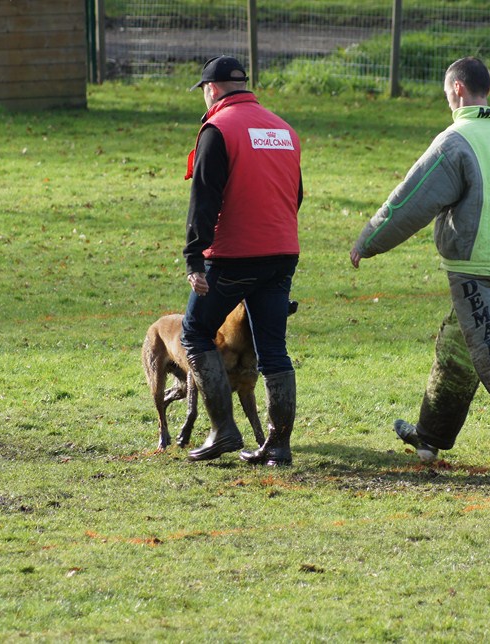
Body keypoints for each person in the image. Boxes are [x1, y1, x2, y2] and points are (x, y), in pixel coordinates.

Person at [349, 56, 490, 478]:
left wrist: (369, 239)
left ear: (457, 90)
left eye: (445, 95)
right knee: (457, 349)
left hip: (476, 267)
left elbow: (411, 199)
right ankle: (429, 437)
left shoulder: (456, 142)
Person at [180, 55, 303, 465]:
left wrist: (194, 257)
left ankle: (223, 431)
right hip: (283, 252)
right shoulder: (284, 129)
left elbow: (204, 199)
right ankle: (278, 445)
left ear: (211, 89)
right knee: (273, 349)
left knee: (195, 332)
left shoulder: (218, 128)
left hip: (234, 255)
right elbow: (296, 194)